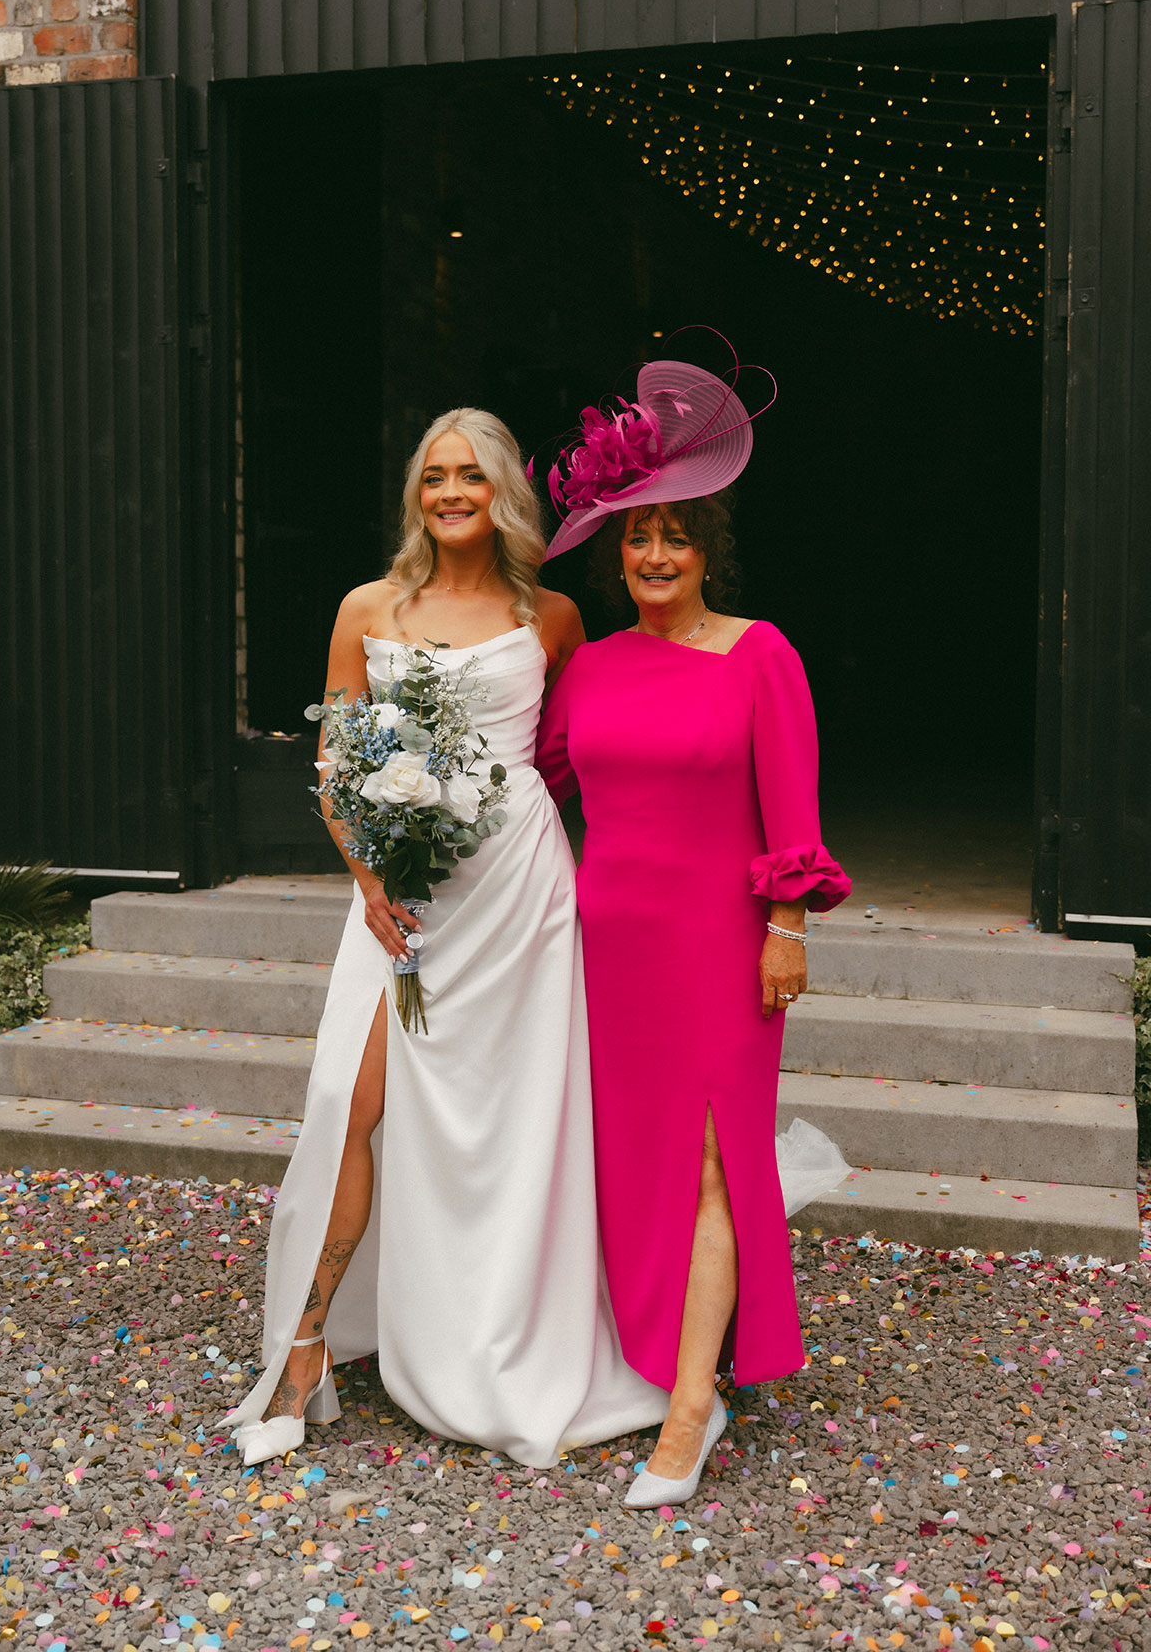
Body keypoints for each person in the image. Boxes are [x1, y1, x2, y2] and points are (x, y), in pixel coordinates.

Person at [226, 407, 668, 1469]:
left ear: (505, 490)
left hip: (519, 893)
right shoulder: (369, 606)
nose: (452, 492)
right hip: (401, 902)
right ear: (417, 494)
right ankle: (304, 1351)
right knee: (352, 1103)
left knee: (511, 1123)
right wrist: (371, 881)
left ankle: (496, 1333)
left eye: (472, 475)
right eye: (434, 476)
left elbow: (589, 747)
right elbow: (335, 764)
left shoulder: (553, 613)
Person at [534, 351, 851, 1507]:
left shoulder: (761, 654)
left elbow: (796, 808)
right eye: (635, 539)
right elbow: (536, 788)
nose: (655, 557)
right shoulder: (595, 667)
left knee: (720, 1155)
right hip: (607, 949)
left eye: (674, 536)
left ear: (706, 547)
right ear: (616, 558)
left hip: (723, 944)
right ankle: (646, 1353)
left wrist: (788, 928)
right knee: (636, 1163)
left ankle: (690, 1405)